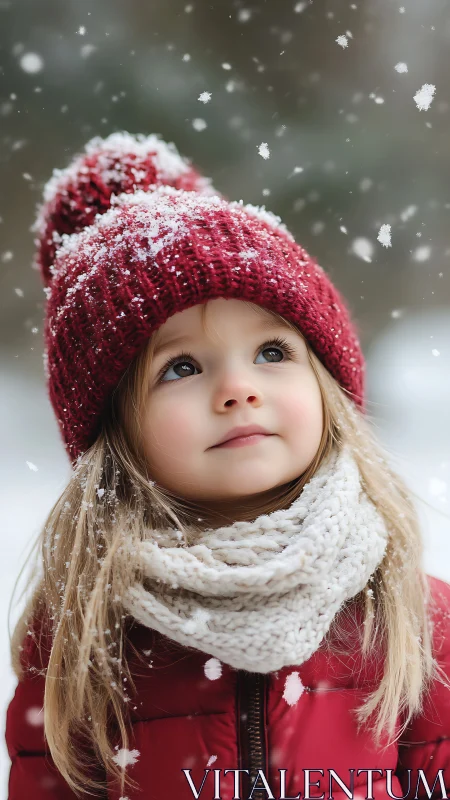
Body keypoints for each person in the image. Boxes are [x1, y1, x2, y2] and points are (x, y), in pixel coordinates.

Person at [4, 132, 450, 800]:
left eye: (272, 351)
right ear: (116, 430)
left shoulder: (416, 619)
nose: (239, 389)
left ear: (326, 385)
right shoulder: (82, 634)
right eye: (181, 367)